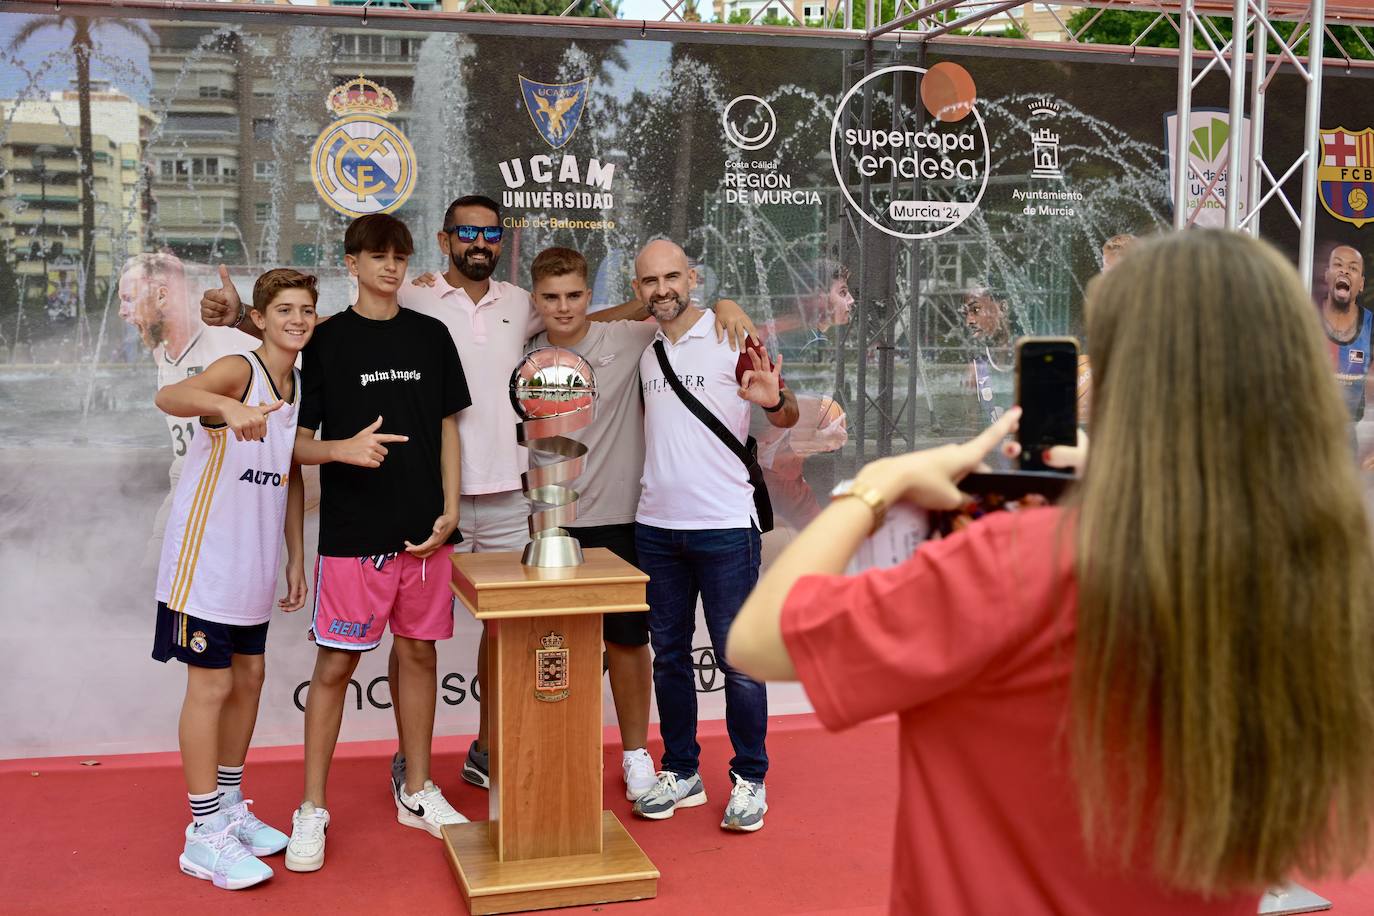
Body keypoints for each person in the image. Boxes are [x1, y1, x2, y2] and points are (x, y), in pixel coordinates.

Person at [726, 229, 1374, 913]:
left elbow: (759, 638)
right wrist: (1125, 480)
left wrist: (879, 485)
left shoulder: (1018, 562)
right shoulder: (1314, 582)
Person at [280, 214, 471, 872]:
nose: (391, 266)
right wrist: (342, 449)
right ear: (352, 264)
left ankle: (417, 790)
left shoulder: (431, 335)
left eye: (400, 256)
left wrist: (449, 509)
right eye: (377, 256)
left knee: (418, 655)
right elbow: (295, 444)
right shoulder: (326, 342)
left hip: (426, 535)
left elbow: (449, 429)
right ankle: (311, 807)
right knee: (334, 669)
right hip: (353, 536)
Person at [150, 268, 317, 890]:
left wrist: (297, 555)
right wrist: (223, 406)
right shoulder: (240, 370)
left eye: (305, 310)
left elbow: (289, 467)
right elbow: (170, 398)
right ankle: (203, 834)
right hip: (206, 560)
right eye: (285, 310)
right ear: (263, 316)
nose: (296, 320)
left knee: (249, 678)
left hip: (253, 559)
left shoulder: (294, 381)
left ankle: (228, 807)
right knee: (211, 689)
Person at [630, 239, 799, 833]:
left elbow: (787, 413)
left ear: (692, 277)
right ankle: (682, 771)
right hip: (656, 528)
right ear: (637, 290)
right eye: (650, 281)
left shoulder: (732, 335)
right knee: (670, 659)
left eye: (672, 277)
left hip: (726, 528)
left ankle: (750, 779)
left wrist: (773, 400)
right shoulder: (647, 350)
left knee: (740, 662)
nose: (662, 290)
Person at [525, 246, 661, 800]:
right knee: (554, 648)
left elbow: (682, 311)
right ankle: (555, 750)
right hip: (547, 526)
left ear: (589, 295)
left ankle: (634, 756)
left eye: (575, 295)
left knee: (628, 643)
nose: (564, 307)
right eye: (551, 298)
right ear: (535, 300)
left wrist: (727, 307)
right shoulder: (523, 350)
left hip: (619, 519)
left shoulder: (628, 340)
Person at [118, 252, 255, 565]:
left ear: (162, 295)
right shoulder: (162, 353)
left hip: (242, 491)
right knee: (154, 576)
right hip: (190, 484)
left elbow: (302, 349)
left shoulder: (230, 338)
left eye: (128, 299)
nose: (122, 312)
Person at [1317, 245, 1371, 423]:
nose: (1345, 271)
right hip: (1309, 429)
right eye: (1338, 265)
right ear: (1326, 275)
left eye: (1353, 268)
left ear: (1361, 284)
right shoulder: (1305, 317)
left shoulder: (1371, 326)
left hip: (1355, 433)